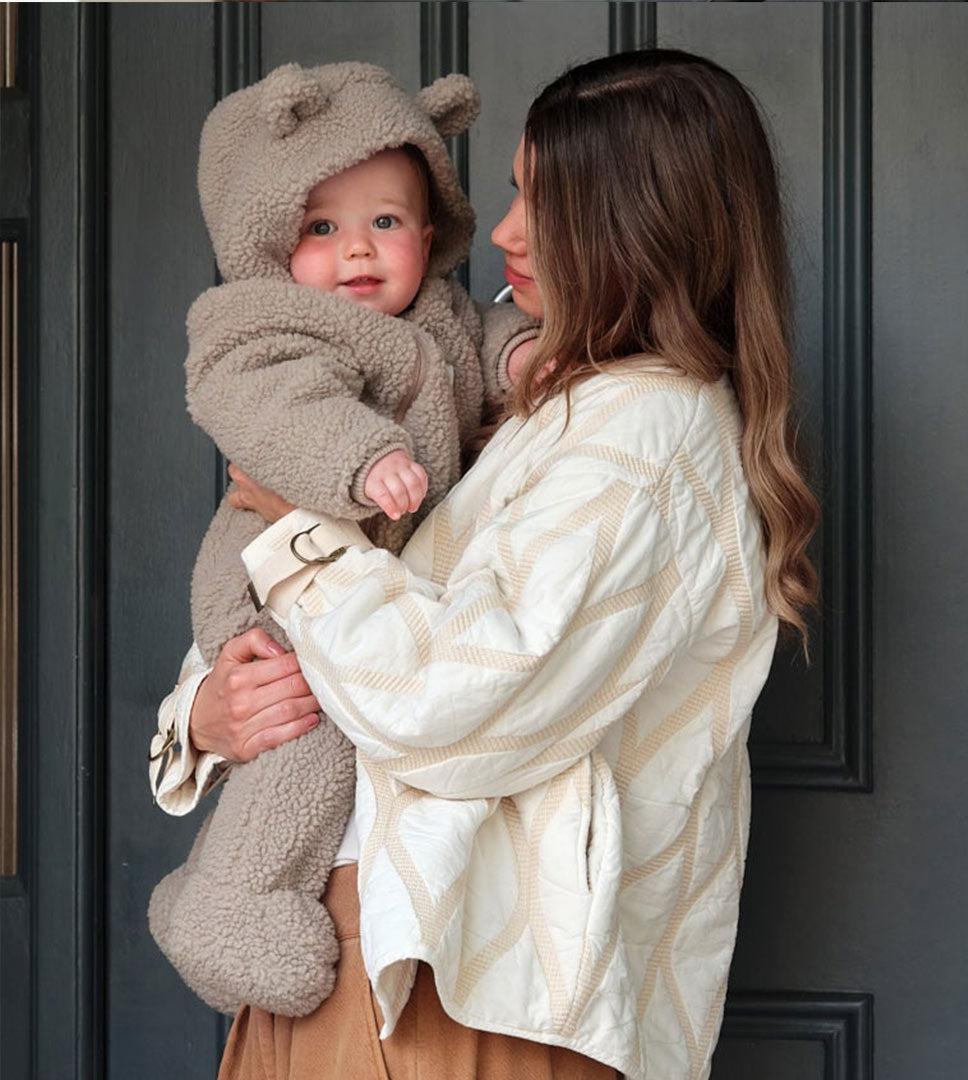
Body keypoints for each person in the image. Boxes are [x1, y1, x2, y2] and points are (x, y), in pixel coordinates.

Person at [150, 48, 819, 1080]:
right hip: (361, 951)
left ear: (638, 226)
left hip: (458, 994)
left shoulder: (645, 433)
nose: (502, 233)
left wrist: (297, 534)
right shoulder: (545, 401)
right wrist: (205, 714)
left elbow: (453, 706)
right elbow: (382, 604)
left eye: (544, 204)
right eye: (513, 190)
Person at [147, 60, 536, 1019]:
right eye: (320, 228)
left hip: (378, 626)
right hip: (268, 591)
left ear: (430, 233)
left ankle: (233, 894)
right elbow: (274, 409)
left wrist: (527, 356)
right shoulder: (263, 326)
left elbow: (489, 346)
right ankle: (226, 903)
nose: (358, 250)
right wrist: (359, 459)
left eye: (386, 221)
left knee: (319, 728)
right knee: (304, 738)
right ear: (266, 238)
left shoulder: (441, 316)